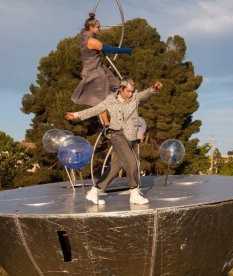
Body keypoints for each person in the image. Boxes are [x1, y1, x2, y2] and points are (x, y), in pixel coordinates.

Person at [66, 77, 163, 205]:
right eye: (128, 91)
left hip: (131, 137)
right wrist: (77, 114)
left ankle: (94, 192)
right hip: (117, 135)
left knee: (114, 168)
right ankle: (134, 193)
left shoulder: (135, 97)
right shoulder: (110, 100)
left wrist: (154, 89)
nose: (131, 94)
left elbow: (145, 94)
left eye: (132, 91)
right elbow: (96, 109)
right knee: (132, 163)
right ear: (121, 89)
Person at [71, 13, 132, 126]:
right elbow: (110, 49)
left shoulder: (85, 36)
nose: (100, 28)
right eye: (98, 27)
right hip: (94, 71)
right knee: (103, 98)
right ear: (91, 28)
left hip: (100, 67)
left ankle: (124, 108)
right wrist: (126, 50)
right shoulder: (91, 41)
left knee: (118, 85)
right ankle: (107, 123)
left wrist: (91, 18)